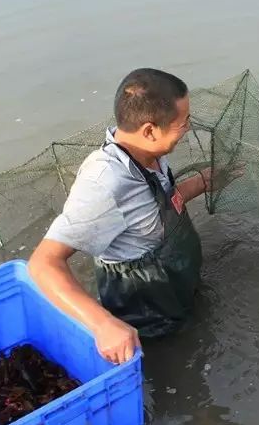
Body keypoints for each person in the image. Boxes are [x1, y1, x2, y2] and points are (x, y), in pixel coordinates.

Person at [28, 68, 215, 364]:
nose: (187, 129)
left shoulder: (149, 153)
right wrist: (103, 325)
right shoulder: (104, 183)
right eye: (183, 123)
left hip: (175, 286)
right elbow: (43, 264)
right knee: (173, 365)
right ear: (150, 130)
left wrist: (205, 182)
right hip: (146, 312)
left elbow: (157, 205)